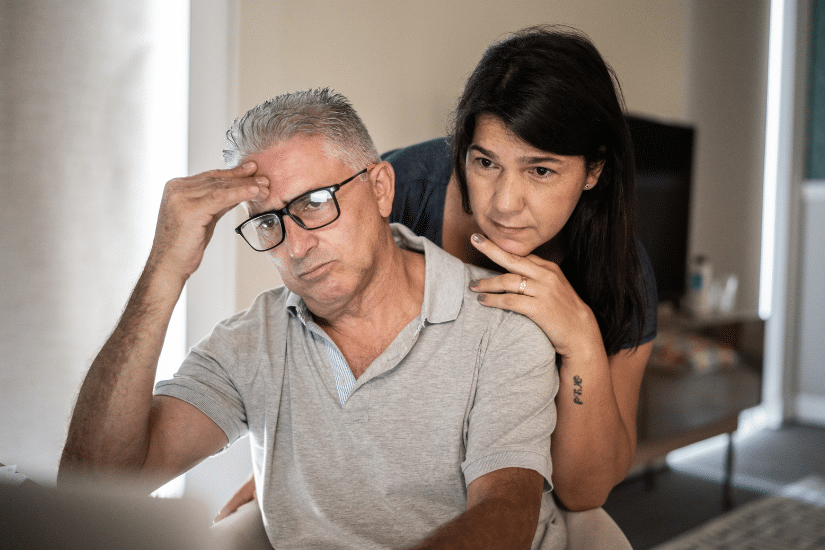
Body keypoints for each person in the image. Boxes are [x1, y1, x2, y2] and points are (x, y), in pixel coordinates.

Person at [58, 88, 565, 549]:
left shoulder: (500, 323)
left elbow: (506, 515)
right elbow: (94, 489)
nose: (296, 246)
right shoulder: (252, 341)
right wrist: (164, 272)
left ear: (381, 188)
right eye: (267, 222)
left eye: (316, 203)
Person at [217, 24, 657, 521]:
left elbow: (586, 491)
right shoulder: (395, 194)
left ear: (594, 169)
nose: (506, 204)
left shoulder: (623, 271)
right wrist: (282, 470)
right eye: (485, 162)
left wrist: (581, 341)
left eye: (541, 171)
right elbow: (317, 350)